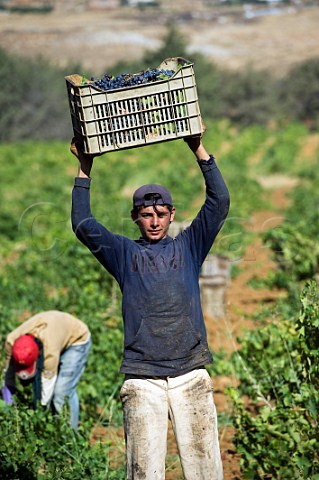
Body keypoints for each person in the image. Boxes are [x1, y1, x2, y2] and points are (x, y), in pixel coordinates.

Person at [70, 126, 230, 479]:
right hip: (143, 380)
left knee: (206, 472)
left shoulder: (189, 246)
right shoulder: (124, 254)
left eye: (160, 214)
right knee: (144, 473)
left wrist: (199, 149)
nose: (154, 221)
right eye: (146, 215)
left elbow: (219, 203)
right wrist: (85, 167)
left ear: (172, 215)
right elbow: (82, 223)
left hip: (191, 372)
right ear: (135, 218)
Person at [2, 310, 91, 430]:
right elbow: (8, 371)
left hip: (76, 340)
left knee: (61, 392)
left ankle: (69, 435)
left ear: (36, 358)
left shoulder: (49, 355)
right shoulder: (11, 342)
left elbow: (47, 386)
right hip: (55, 331)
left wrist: (40, 415)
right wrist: (8, 399)